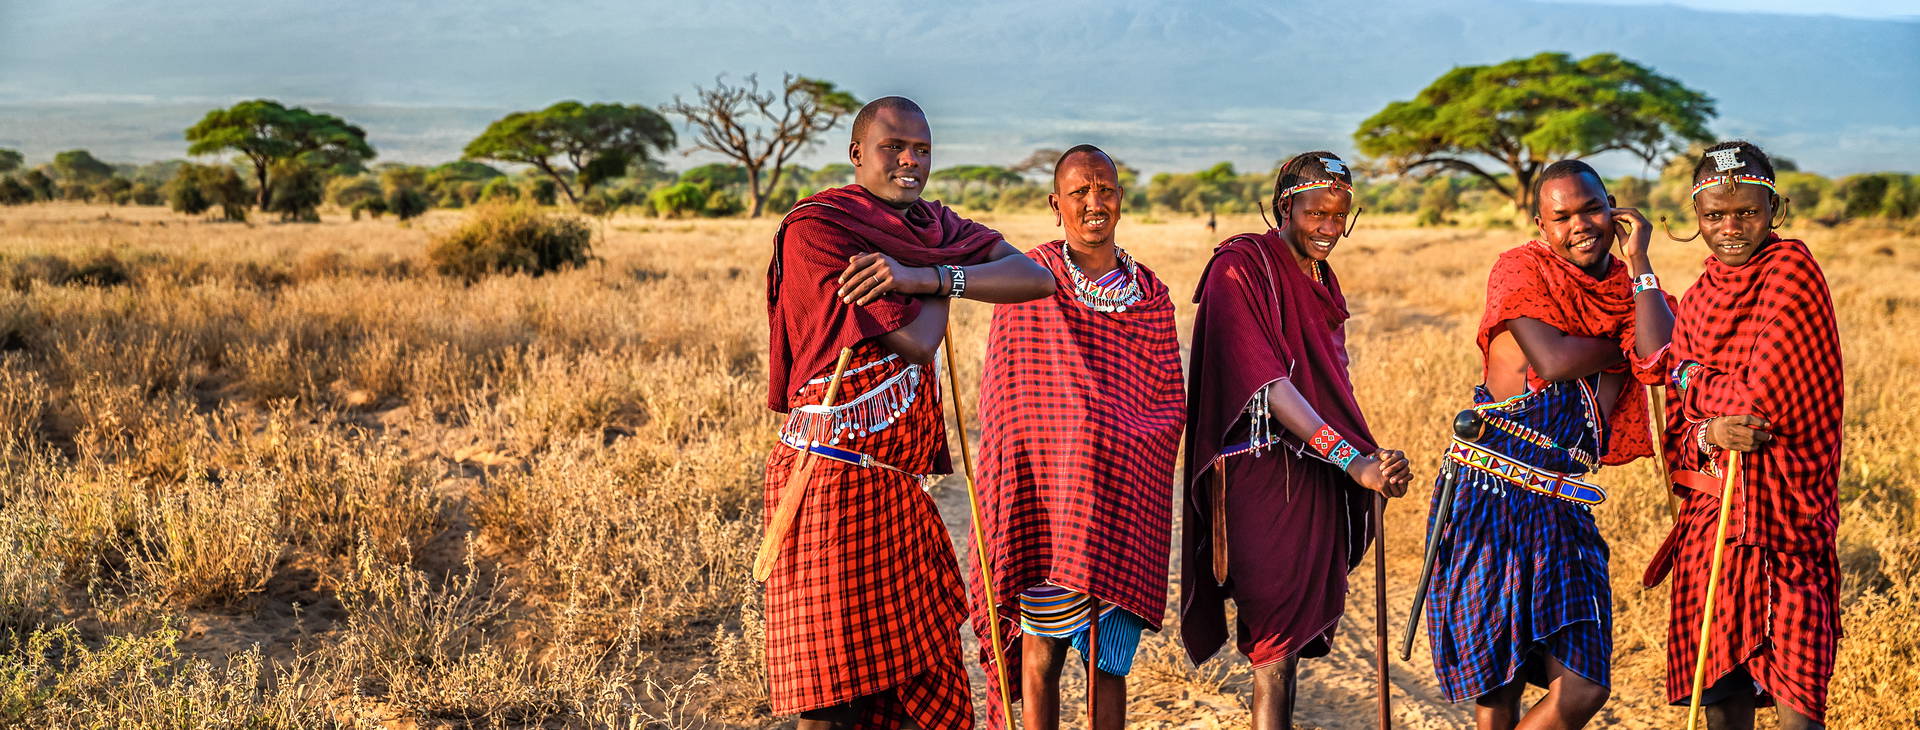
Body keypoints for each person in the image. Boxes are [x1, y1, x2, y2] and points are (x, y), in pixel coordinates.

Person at [763, 95, 1054, 729]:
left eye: (922, 149)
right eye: (894, 147)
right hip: (828, 482)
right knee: (831, 684)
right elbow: (915, 343)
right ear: (856, 154)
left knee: (920, 671)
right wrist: (942, 268)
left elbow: (1033, 277)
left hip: (897, 487)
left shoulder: (929, 227)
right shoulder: (818, 232)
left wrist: (926, 276)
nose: (909, 161)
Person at [1421, 159, 1674, 729]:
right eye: (1561, 217)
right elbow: (1553, 360)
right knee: (1500, 688)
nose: (1579, 225)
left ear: (1615, 210)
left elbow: (1658, 357)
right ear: (1541, 225)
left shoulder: (1632, 290)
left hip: (1564, 504)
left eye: (1591, 208)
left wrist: (1641, 264)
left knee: (1583, 687)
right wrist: (1621, 346)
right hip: (1491, 495)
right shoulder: (1519, 269)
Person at [1180, 151, 1413, 730]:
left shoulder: (1320, 278)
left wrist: (1369, 458)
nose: (1330, 229)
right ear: (1286, 206)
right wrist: (1351, 459)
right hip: (1260, 473)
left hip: (1315, 477)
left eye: (1340, 216)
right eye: (1316, 214)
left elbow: (1333, 381)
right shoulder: (1240, 266)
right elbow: (1267, 382)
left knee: (1290, 654)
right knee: (1274, 649)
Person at [967, 144, 1185, 730]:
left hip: (1122, 498)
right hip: (1050, 503)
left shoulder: (1148, 294)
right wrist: (1077, 432)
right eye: (1080, 192)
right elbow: (1010, 406)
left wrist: (1112, 435)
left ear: (1121, 198)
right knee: (1042, 655)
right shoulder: (1030, 280)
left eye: (1106, 190)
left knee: (1109, 666)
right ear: (1054, 203)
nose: (1095, 204)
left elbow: (1168, 405)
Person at [1644, 140, 1842, 730]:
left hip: (1788, 524)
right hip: (1716, 524)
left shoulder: (1793, 274)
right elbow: (1677, 431)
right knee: (1723, 694)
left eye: (1747, 213)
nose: (1731, 228)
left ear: (1773, 210)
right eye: (1715, 216)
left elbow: (1765, 402)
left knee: (1798, 701)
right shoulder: (1700, 298)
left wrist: (1685, 374)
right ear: (1696, 218)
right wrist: (1709, 434)